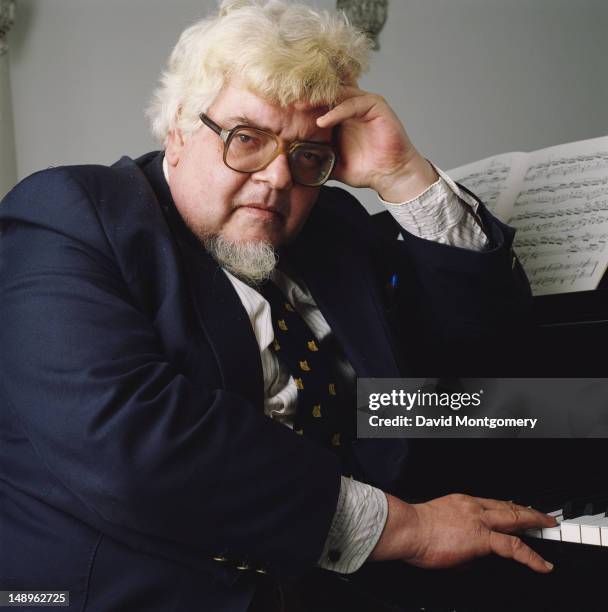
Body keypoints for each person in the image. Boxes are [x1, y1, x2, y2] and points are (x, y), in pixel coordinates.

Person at [0, 1, 556, 610]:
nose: (277, 178)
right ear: (179, 128)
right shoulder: (70, 214)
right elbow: (133, 445)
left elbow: (479, 363)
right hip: (166, 589)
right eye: (247, 138)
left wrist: (404, 177)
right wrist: (409, 529)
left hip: (364, 579)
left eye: (308, 154)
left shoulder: (333, 225)